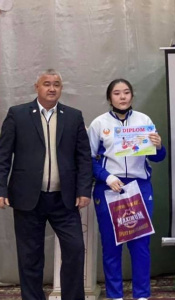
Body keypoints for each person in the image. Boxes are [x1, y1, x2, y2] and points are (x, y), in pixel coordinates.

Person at [0, 69, 92, 300]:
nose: (52, 88)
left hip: (65, 198)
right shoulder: (17, 114)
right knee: (30, 256)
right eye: (47, 84)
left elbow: (83, 157)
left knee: (75, 249)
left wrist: (83, 190)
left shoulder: (73, 116)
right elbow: (3, 155)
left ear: (61, 88)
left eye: (57, 84)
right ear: (37, 87)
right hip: (27, 198)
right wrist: (0, 188)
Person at [87, 78, 166, 300]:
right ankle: (115, 296)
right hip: (109, 187)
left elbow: (157, 157)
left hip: (139, 187)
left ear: (132, 95)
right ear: (109, 97)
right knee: (111, 246)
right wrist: (106, 176)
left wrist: (159, 145)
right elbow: (88, 158)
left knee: (140, 245)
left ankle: (141, 295)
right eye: (117, 93)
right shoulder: (99, 124)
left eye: (126, 92)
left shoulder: (143, 120)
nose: (122, 97)